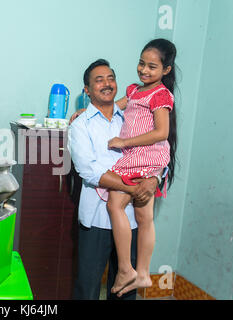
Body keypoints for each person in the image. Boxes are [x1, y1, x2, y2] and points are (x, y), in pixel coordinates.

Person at [68, 59, 159, 300]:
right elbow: (89, 170)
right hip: (96, 218)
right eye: (99, 80)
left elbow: (155, 150)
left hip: (131, 219)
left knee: (125, 289)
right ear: (87, 90)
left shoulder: (133, 117)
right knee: (87, 288)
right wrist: (132, 186)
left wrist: (154, 180)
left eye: (110, 78)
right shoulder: (80, 125)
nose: (106, 84)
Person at [101, 38, 177, 297]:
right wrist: (85, 111)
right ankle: (140, 272)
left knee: (118, 205)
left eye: (152, 67)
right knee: (142, 217)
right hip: (135, 157)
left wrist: (125, 141)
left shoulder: (161, 94)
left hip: (146, 157)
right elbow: (112, 107)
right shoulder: (134, 90)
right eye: (141, 64)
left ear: (166, 70)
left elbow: (162, 132)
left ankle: (127, 268)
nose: (144, 70)